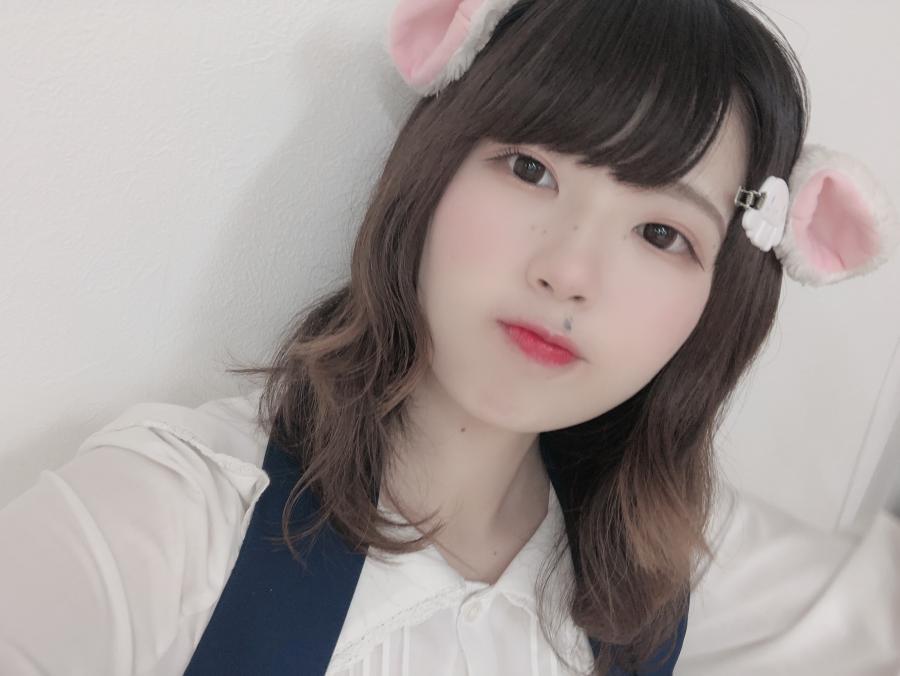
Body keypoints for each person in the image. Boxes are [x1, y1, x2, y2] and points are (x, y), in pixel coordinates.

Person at [0, 1, 896, 675]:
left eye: (662, 233)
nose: (569, 271)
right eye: (531, 169)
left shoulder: (668, 574)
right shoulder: (168, 523)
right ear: (432, 170)